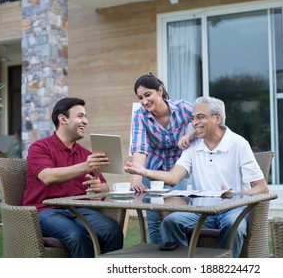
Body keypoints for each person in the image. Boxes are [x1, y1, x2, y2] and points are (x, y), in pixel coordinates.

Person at [124, 96, 269, 257]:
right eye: (192, 118)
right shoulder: (193, 146)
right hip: (202, 210)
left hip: (232, 210)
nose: (194, 123)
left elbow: (262, 187)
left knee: (232, 224)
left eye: (200, 117)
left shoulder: (238, 144)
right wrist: (143, 171)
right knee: (170, 223)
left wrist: (235, 196)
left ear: (217, 118)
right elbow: (173, 178)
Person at [21, 97, 123, 258]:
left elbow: (104, 187)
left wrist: (99, 187)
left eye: (86, 116)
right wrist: (86, 166)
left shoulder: (86, 154)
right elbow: (48, 177)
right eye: (80, 116)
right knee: (76, 235)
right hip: (44, 210)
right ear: (63, 119)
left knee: (113, 231)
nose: (86, 121)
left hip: (78, 210)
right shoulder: (40, 148)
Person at [130, 73, 195, 244]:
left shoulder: (182, 107)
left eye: (148, 94)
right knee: (154, 218)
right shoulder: (140, 115)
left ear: (160, 90)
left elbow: (205, 120)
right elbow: (139, 147)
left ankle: (181, 255)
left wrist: (191, 134)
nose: (144, 101)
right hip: (151, 169)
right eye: (140, 97)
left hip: (176, 169)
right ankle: (158, 257)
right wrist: (137, 179)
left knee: (176, 215)